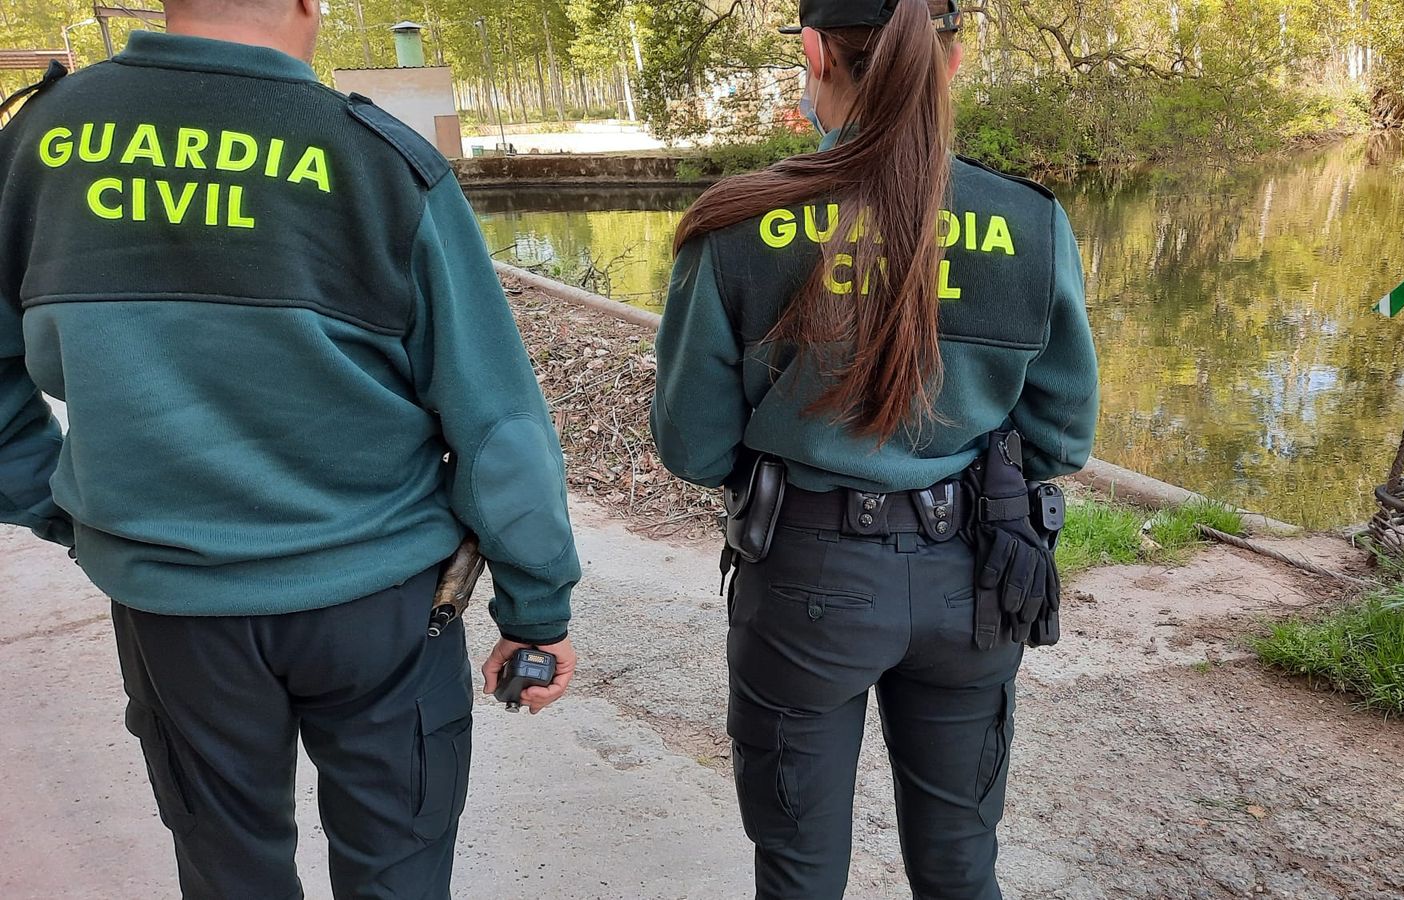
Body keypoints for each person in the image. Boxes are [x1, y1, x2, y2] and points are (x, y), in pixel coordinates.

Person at [0, 1, 580, 896]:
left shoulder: (42, 142)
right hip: (383, 605)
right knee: (399, 869)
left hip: (175, 609)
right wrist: (537, 606)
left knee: (230, 872)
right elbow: (497, 422)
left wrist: (61, 508)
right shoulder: (376, 157)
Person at [650, 0, 1099, 896]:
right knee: (962, 868)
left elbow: (693, 446)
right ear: (953, 61)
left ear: (815, 52)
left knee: (799, 871)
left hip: (806, 583)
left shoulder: (741, 223)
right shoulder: (1028, 223)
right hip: (974, 578)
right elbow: (1060, 435)